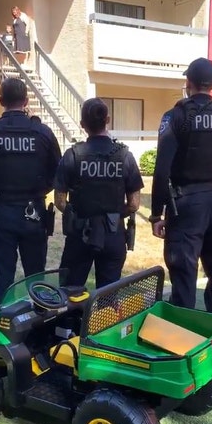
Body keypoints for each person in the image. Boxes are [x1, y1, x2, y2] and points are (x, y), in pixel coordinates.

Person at [149, 58, 212, 317]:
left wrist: (156, 214)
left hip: (184, 208)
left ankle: (185, 345)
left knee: (183, 280)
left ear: (188, 83)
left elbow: (162, 170)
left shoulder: (176, 116)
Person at [0, 77, 61, 304]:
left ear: (1, 100)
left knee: (4, 277)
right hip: (34, 212)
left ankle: (1, 332)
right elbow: (57, 173)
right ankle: (40, 330)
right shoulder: (42, 133)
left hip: (1, 212)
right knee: (36, 277)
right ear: (25, 101)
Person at [54, 99, 143, 288]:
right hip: (113, 233)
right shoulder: (124, 155)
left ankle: (72, 319)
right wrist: (115, 216)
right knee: (108, 297)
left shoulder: (73, 155)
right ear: (108, 119)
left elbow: (60, 201)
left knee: (70, 293)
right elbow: (134, 203)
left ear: (82, 124)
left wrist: (79, 215)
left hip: (79, 235)